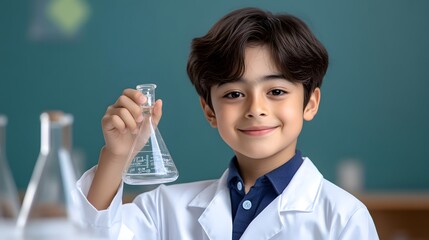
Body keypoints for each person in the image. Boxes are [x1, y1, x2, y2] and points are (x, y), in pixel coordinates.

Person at [76, 7, 379, 239]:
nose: (255, 108)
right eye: (234, 93)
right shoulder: (164, 209)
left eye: (276, 91)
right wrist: (117, 155)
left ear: (310, 103)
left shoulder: (343, 218)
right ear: (209, 110)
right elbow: (91, 233)